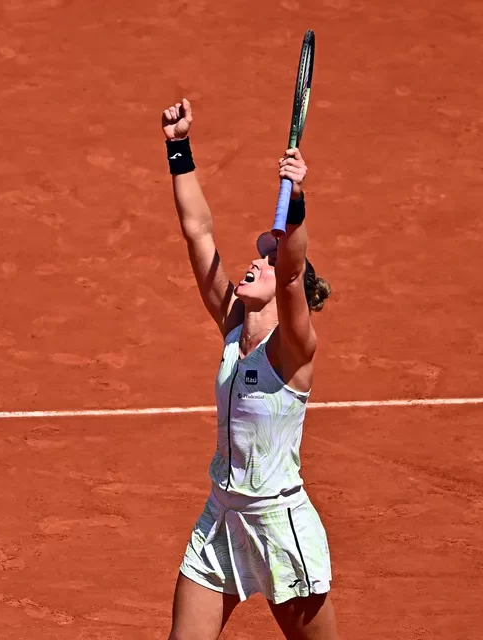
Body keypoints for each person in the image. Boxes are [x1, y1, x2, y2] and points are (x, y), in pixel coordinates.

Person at [160, 98, 338, 640]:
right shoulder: (233, 322)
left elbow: (288, 273)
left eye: (267, 257)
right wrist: (178, 146)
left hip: (279, 528)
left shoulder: (293, 350)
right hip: (222, 520)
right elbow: (198, 231)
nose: (255, 260)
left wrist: (298, 201)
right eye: (258, 254)